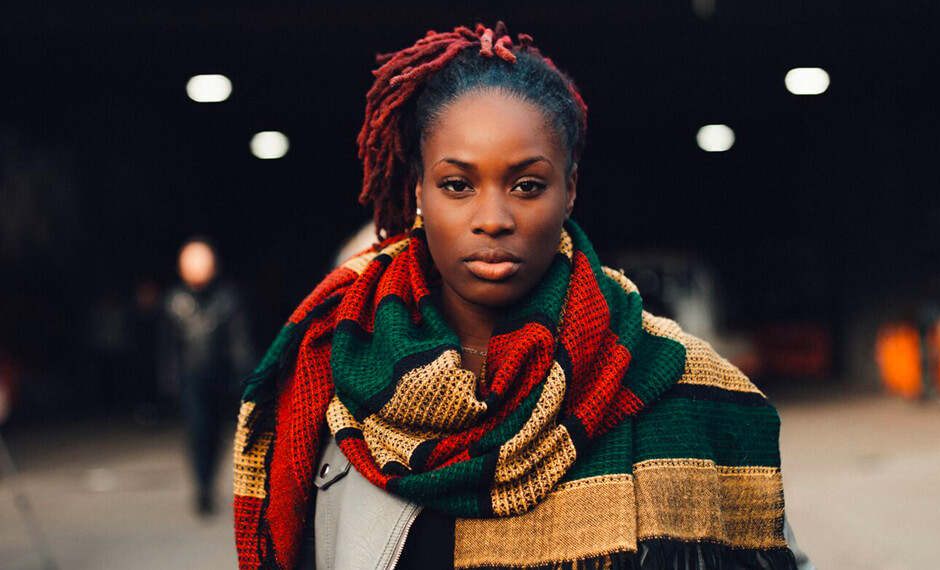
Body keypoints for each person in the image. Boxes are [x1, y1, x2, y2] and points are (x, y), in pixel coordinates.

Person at [233, 23, 813, 570]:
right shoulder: (327, 367)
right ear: (418, 189)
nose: (492, 219)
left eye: (527, 185)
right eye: (457, 185)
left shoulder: (679, 383)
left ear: (571, 189)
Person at [161, 237, 253, 516]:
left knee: (216, 433)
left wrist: (245, 378)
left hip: (222, 377)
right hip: (192, 380)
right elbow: (167, 349)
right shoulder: (175, 302)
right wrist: (169, 383)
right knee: (198, 432)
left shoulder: (227, 299)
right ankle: (202, 487)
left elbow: (239, 342)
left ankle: (209, 479)